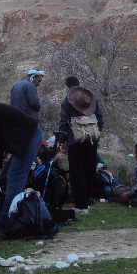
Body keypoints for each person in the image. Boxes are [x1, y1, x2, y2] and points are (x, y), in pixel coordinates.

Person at [57, 77, 104, 215]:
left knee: (77, 171)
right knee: (90, 169)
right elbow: (100, 118)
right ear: (79, 85)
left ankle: (80, 205)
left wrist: (62, 140)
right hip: (91, 139)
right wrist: (96, 131)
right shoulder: (91, 98)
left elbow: (64, 121)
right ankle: (88, 199)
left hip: (75, 139)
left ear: (66, 87)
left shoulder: (67, 100)